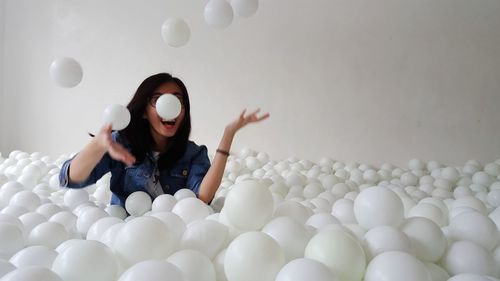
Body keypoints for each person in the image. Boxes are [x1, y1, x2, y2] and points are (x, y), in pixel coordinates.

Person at [59, 73, 269, 206]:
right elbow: (70, 179)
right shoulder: (122, 145)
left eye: (178, 101)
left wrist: (228, 134)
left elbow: (202, 198)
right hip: (124, 233)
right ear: (143, 111)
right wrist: (99, 144)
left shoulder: (193, 154)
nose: (170, 107)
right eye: (158, 100)